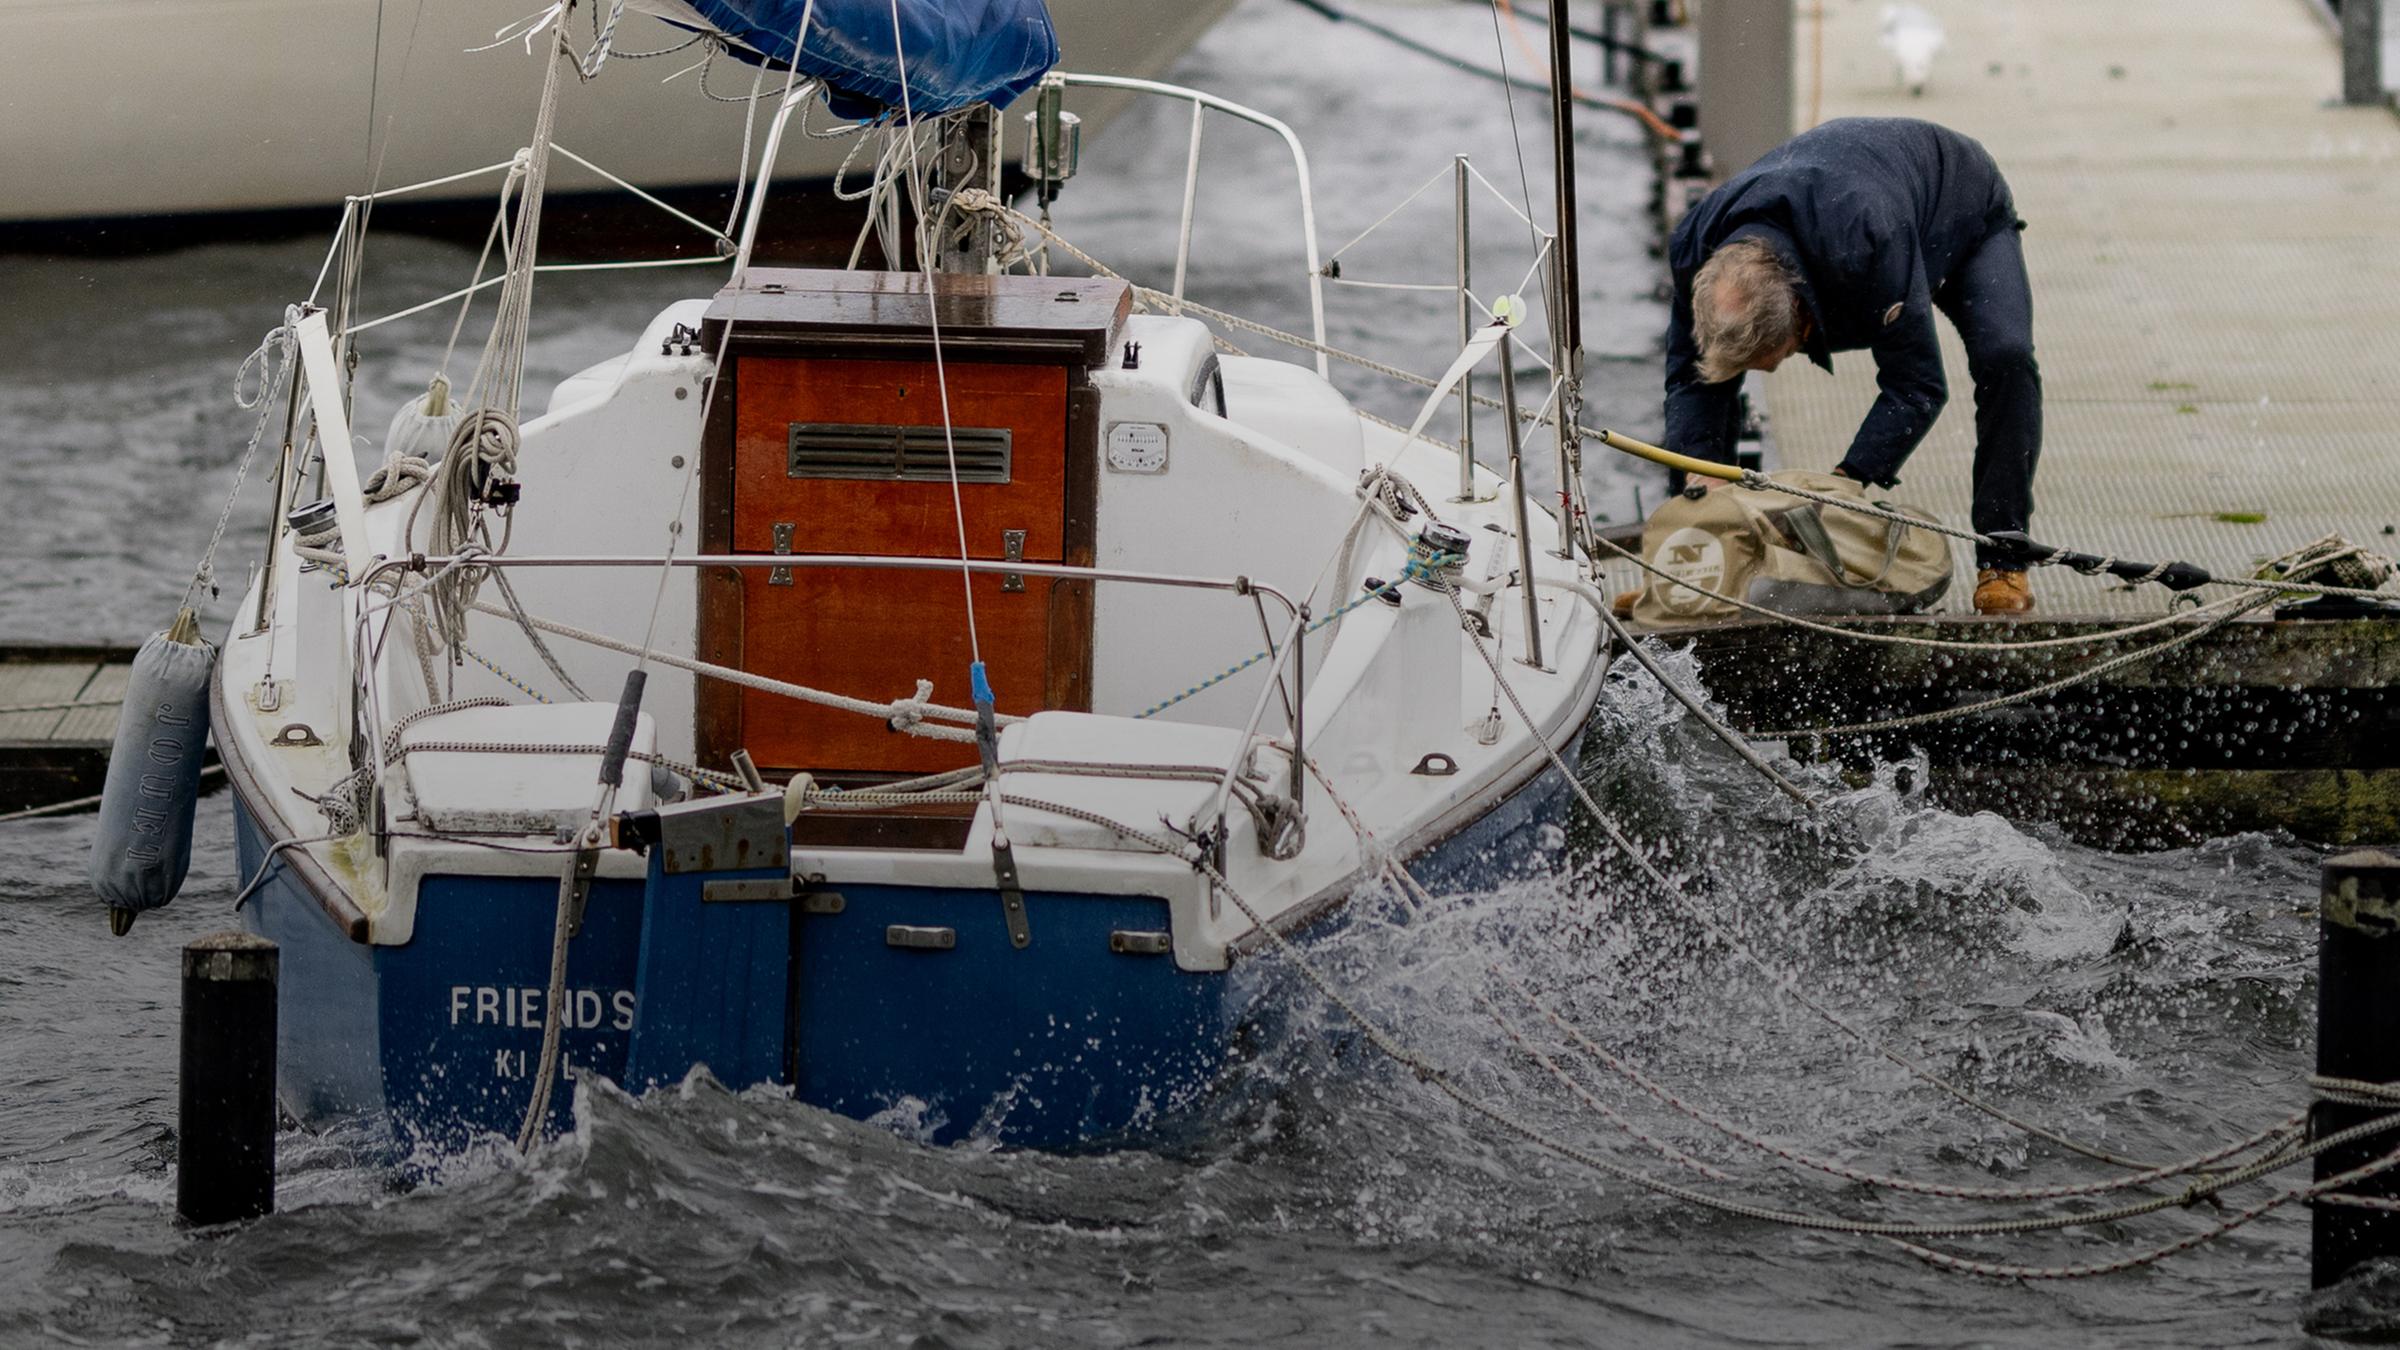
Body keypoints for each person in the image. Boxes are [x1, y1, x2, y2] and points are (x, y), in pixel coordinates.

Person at [1662, 117, 2041, 615]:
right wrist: (1699, 482)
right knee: (1706, 403)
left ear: (1802, 320)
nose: (1769, 373)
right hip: (1864, 198)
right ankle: (1710, 570)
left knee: (2006, 357)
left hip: (1962, 208)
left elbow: (1917, 386)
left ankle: (2003, 558)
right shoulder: (1695, 246)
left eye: (1775, 359)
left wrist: (1842, 485)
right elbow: (1691, 379)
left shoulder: (1866, 243)